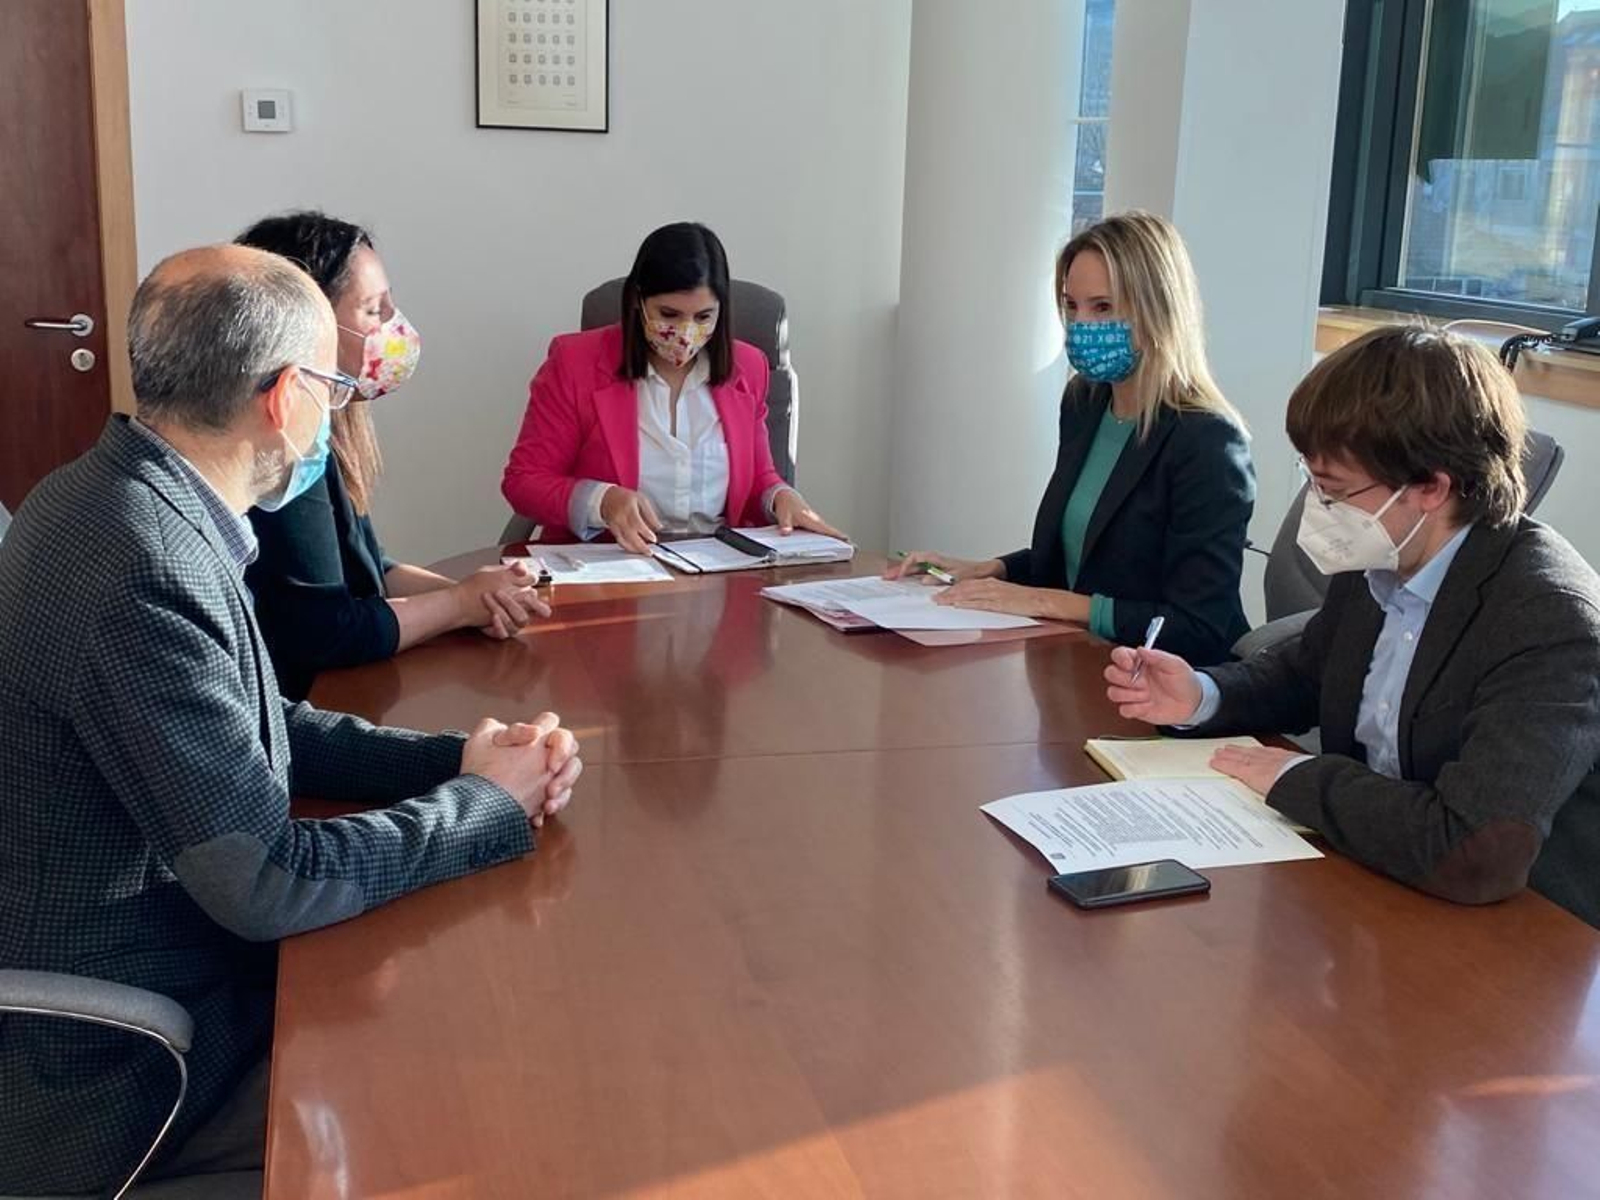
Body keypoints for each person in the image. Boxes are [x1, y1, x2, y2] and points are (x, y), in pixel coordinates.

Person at [0, 245, 584, 1194]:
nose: (341, 406)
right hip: (121, 1052)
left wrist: (456, 762)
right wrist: (484, 809)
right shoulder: (140, 561)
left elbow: (259, 720)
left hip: (173, 958)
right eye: (335, 383)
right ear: (282, 398)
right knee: (456, 1091)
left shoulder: (123, 499)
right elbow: (269, 881)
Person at [1105, 326, 1600, 925]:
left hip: (1517, 929)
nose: (1318, 509)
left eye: (1333, 490)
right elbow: (1310, 672)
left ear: (1430, 487)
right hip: (1375, 879)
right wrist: (1203, 695)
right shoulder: (1388, 551)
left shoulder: (1547, 617)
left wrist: (1298, 778)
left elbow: (1476, 848)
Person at [889, 211, 1254, 667]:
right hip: (1078, 667)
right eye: (1071, 306)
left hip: (1165, 691)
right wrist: (992, 570)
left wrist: (1045, 602)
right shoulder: (1085, 402)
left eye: (1102, 308)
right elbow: (1082, 560)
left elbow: (1199, 625)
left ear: (1157, 310)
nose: (1081, 326)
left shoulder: (1209, 442)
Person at [236, 211, 547, 700]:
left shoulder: (326, 425)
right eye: (372, 310)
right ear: (307, 319)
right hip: (308, 706)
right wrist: (457, 606)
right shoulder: (282, 449)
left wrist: (477, 594)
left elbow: (368, 568)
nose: (393, 325)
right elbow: (329, 629)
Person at [502, 221, 843, 550]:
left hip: (719, 568)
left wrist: (782, 497)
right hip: (616, 565)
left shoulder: (749, 367)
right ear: (638, 301)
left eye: (703, 317)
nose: (685, 332)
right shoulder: (574, 362)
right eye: (669, 314)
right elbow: (525, 481)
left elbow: (759, 478)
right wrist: (602, 501)